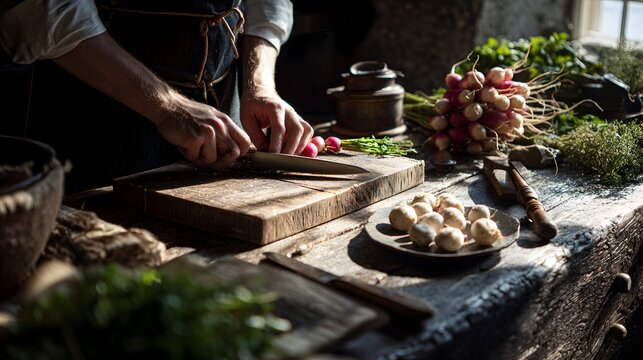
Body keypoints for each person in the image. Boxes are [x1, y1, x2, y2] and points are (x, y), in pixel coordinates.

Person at [0, 0, 313, 192]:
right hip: (94, 132)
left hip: (219, 121)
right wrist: (169, 105)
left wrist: (259, 86)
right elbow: (43, 10)